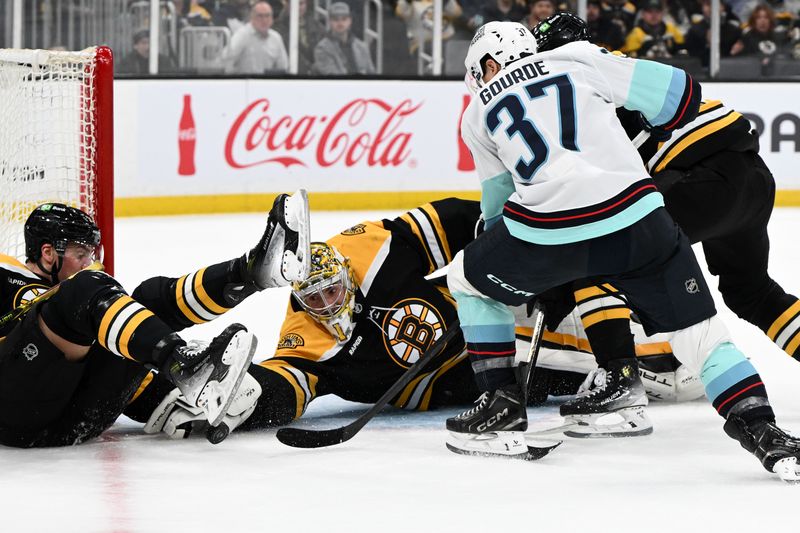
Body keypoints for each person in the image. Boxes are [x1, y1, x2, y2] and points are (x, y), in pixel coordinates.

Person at [448, 19, 800, 480]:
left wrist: (514, 270)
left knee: (469, 281)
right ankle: (765, 432)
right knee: (706, 334)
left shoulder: (478, 109)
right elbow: (681, 95)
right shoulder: (581, 61)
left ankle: (506, 403)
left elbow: (495, 211)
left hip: (551, 229)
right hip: (647, 215)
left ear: (488, 64)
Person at [145, 198, 704, 440]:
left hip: (482, 331)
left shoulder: (372, 248)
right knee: (563, 378)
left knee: (591, 317)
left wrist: (520, 256)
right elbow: (289, 383)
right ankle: (653, 370)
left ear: (347, 274)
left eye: (334, 289)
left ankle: (668, 353)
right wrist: (245, 398)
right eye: (313, 299)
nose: (326, 304)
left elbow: (458, 220)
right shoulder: (305, 330)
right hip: (453, 387)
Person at [532, 12, 800, 447]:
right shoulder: (614, 64)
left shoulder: (572, 84)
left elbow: (597, 192)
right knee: (752, 292)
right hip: (751, 174)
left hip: (701, 176)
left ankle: (620, 382)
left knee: (596, 249)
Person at [0, 190, 310, 447]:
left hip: (75, 418)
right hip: (13, 414)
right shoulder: (6, 273)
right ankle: (184, 366)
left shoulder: (79, 304)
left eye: (91, 253)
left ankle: (251, 273)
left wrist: (177, 401)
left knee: (148, 298)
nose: (90, 262)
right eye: (81, 254)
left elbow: (121, 367)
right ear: (47, 253)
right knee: (85, 289)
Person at [223, 1, 289, 74]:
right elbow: (225, 60)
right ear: (252, 17)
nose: (264, 20)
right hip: (245, 82)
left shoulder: (276, 38)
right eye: (260, 16)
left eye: (267, 16)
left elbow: (283, 68)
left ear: (272, 19)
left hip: (268, 82)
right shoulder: (242, 35)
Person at [313, 2, 376, 75]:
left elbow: (372, 74)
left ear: (350, 21)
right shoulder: (322, 48)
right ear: (330, 22)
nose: (340, 23)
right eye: (336, 19)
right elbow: (333, 77)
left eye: (344, 19)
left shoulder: (361, 47)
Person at [275, 0, 324, 75]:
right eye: (295, 4)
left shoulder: (317, 26)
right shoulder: (277, 29)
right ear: (286, 5)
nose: (298, 7)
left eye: (301, 4)